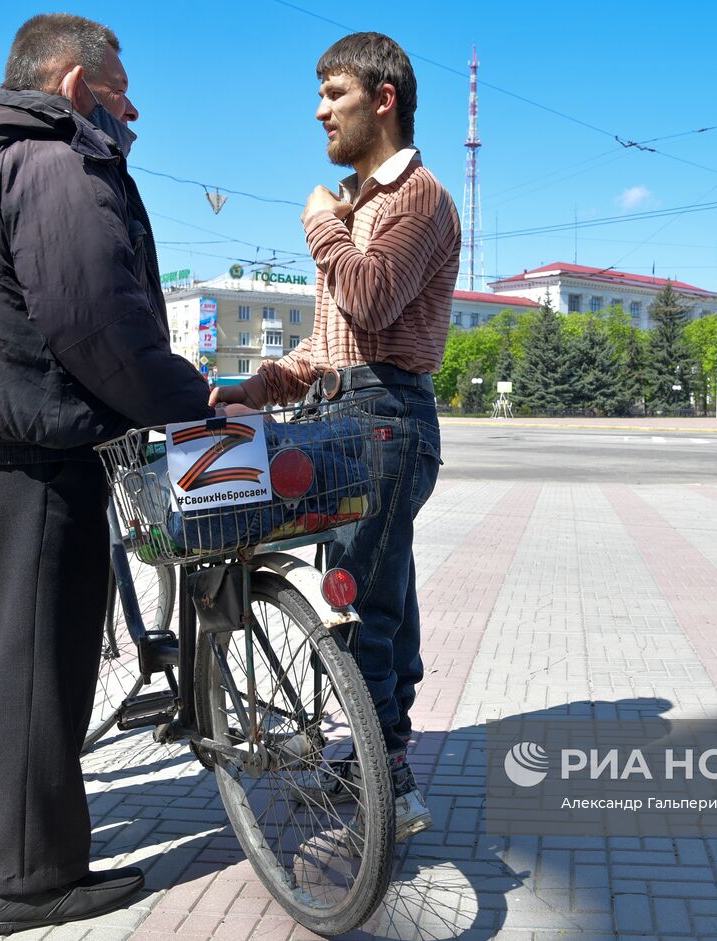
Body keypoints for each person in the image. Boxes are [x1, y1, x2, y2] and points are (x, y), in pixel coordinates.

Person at [0, 13, 212, 934]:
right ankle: (27, 879)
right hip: (39, 436)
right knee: (45, 662)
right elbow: (94, 320)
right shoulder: (55, 161)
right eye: (120, 94)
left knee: (2, 660)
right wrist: (189, 397)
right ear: (75, 87)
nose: (133, 113)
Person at [210, 32, 460, 843]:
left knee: (361, 610)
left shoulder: (416, 197)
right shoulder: (360, 207)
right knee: (381, 600)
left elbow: (374, 297)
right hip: (348, 413)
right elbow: (330, 344)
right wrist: (254, 388)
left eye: (334, 94)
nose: (319, 111)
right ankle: (376, 761)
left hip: (385, 418)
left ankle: (390, 784)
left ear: (382, 100)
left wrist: (320, 225)